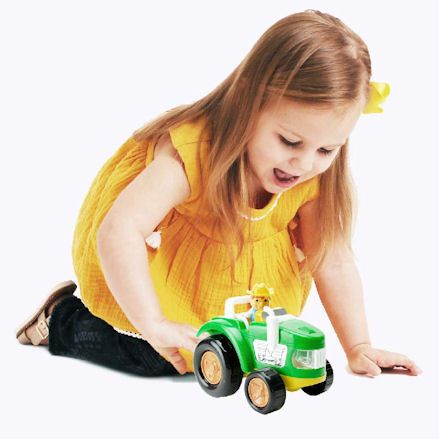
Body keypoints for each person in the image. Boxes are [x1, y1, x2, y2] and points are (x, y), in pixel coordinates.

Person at [16, 9, 422, 378]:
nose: (304, 164)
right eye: (289, 141)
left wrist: (358, 346)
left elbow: (330, 258)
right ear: (249, 100)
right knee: (158, 356)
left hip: (239, 294)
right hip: (159, 274)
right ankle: (62, 319)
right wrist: (154, 322)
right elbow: (119, 231)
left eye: (326, 149)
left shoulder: (311, 176)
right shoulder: (193, 155)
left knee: (256, 354)